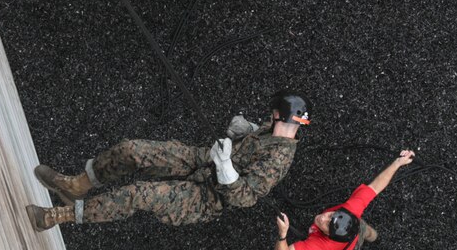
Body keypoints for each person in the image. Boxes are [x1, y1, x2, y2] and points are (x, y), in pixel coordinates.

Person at [25, 92, 310, 231]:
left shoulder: (279, 158)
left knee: (138, 195)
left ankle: (58, 216)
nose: (268, 117)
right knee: (132, 150)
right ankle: (76, 185)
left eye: (271, 114)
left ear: (278, 115)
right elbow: (252, 142)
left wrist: (226, 167)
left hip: (207, 196)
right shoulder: (273, 132)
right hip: (201, 160)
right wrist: (245, 130)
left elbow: (245, 197)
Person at [274, 149, 416, 250]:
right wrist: (397, 163)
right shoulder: (350, 211)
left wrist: (282, 234)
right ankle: (371, 235)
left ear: (330, 236)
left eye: (326, 225)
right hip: (356, 231)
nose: (322, 218)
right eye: (330, 216)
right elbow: (375, 187)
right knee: (362, 228)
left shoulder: (322, 246)